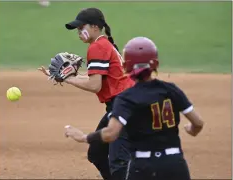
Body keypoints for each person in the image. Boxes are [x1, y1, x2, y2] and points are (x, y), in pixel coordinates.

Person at [64, 36, 204, 180]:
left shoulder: (126, 98)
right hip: (175, 164)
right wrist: (192, 130)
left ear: (125, 67)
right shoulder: (171, 90)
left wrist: (84, 137)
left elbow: (110, 133)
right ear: (156, 63)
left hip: (143, 167)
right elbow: (198, 123)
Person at [38, 8, 134, 180]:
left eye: (81, 27)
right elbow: (97, 79)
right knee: (97, 153)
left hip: (124, 107)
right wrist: (67, 76)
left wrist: (66, 78)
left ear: (95, 27)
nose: (78, 32)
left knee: (119, 163)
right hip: (121, 105)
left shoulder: (97, 47)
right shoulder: (104, 44)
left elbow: (94, 85)